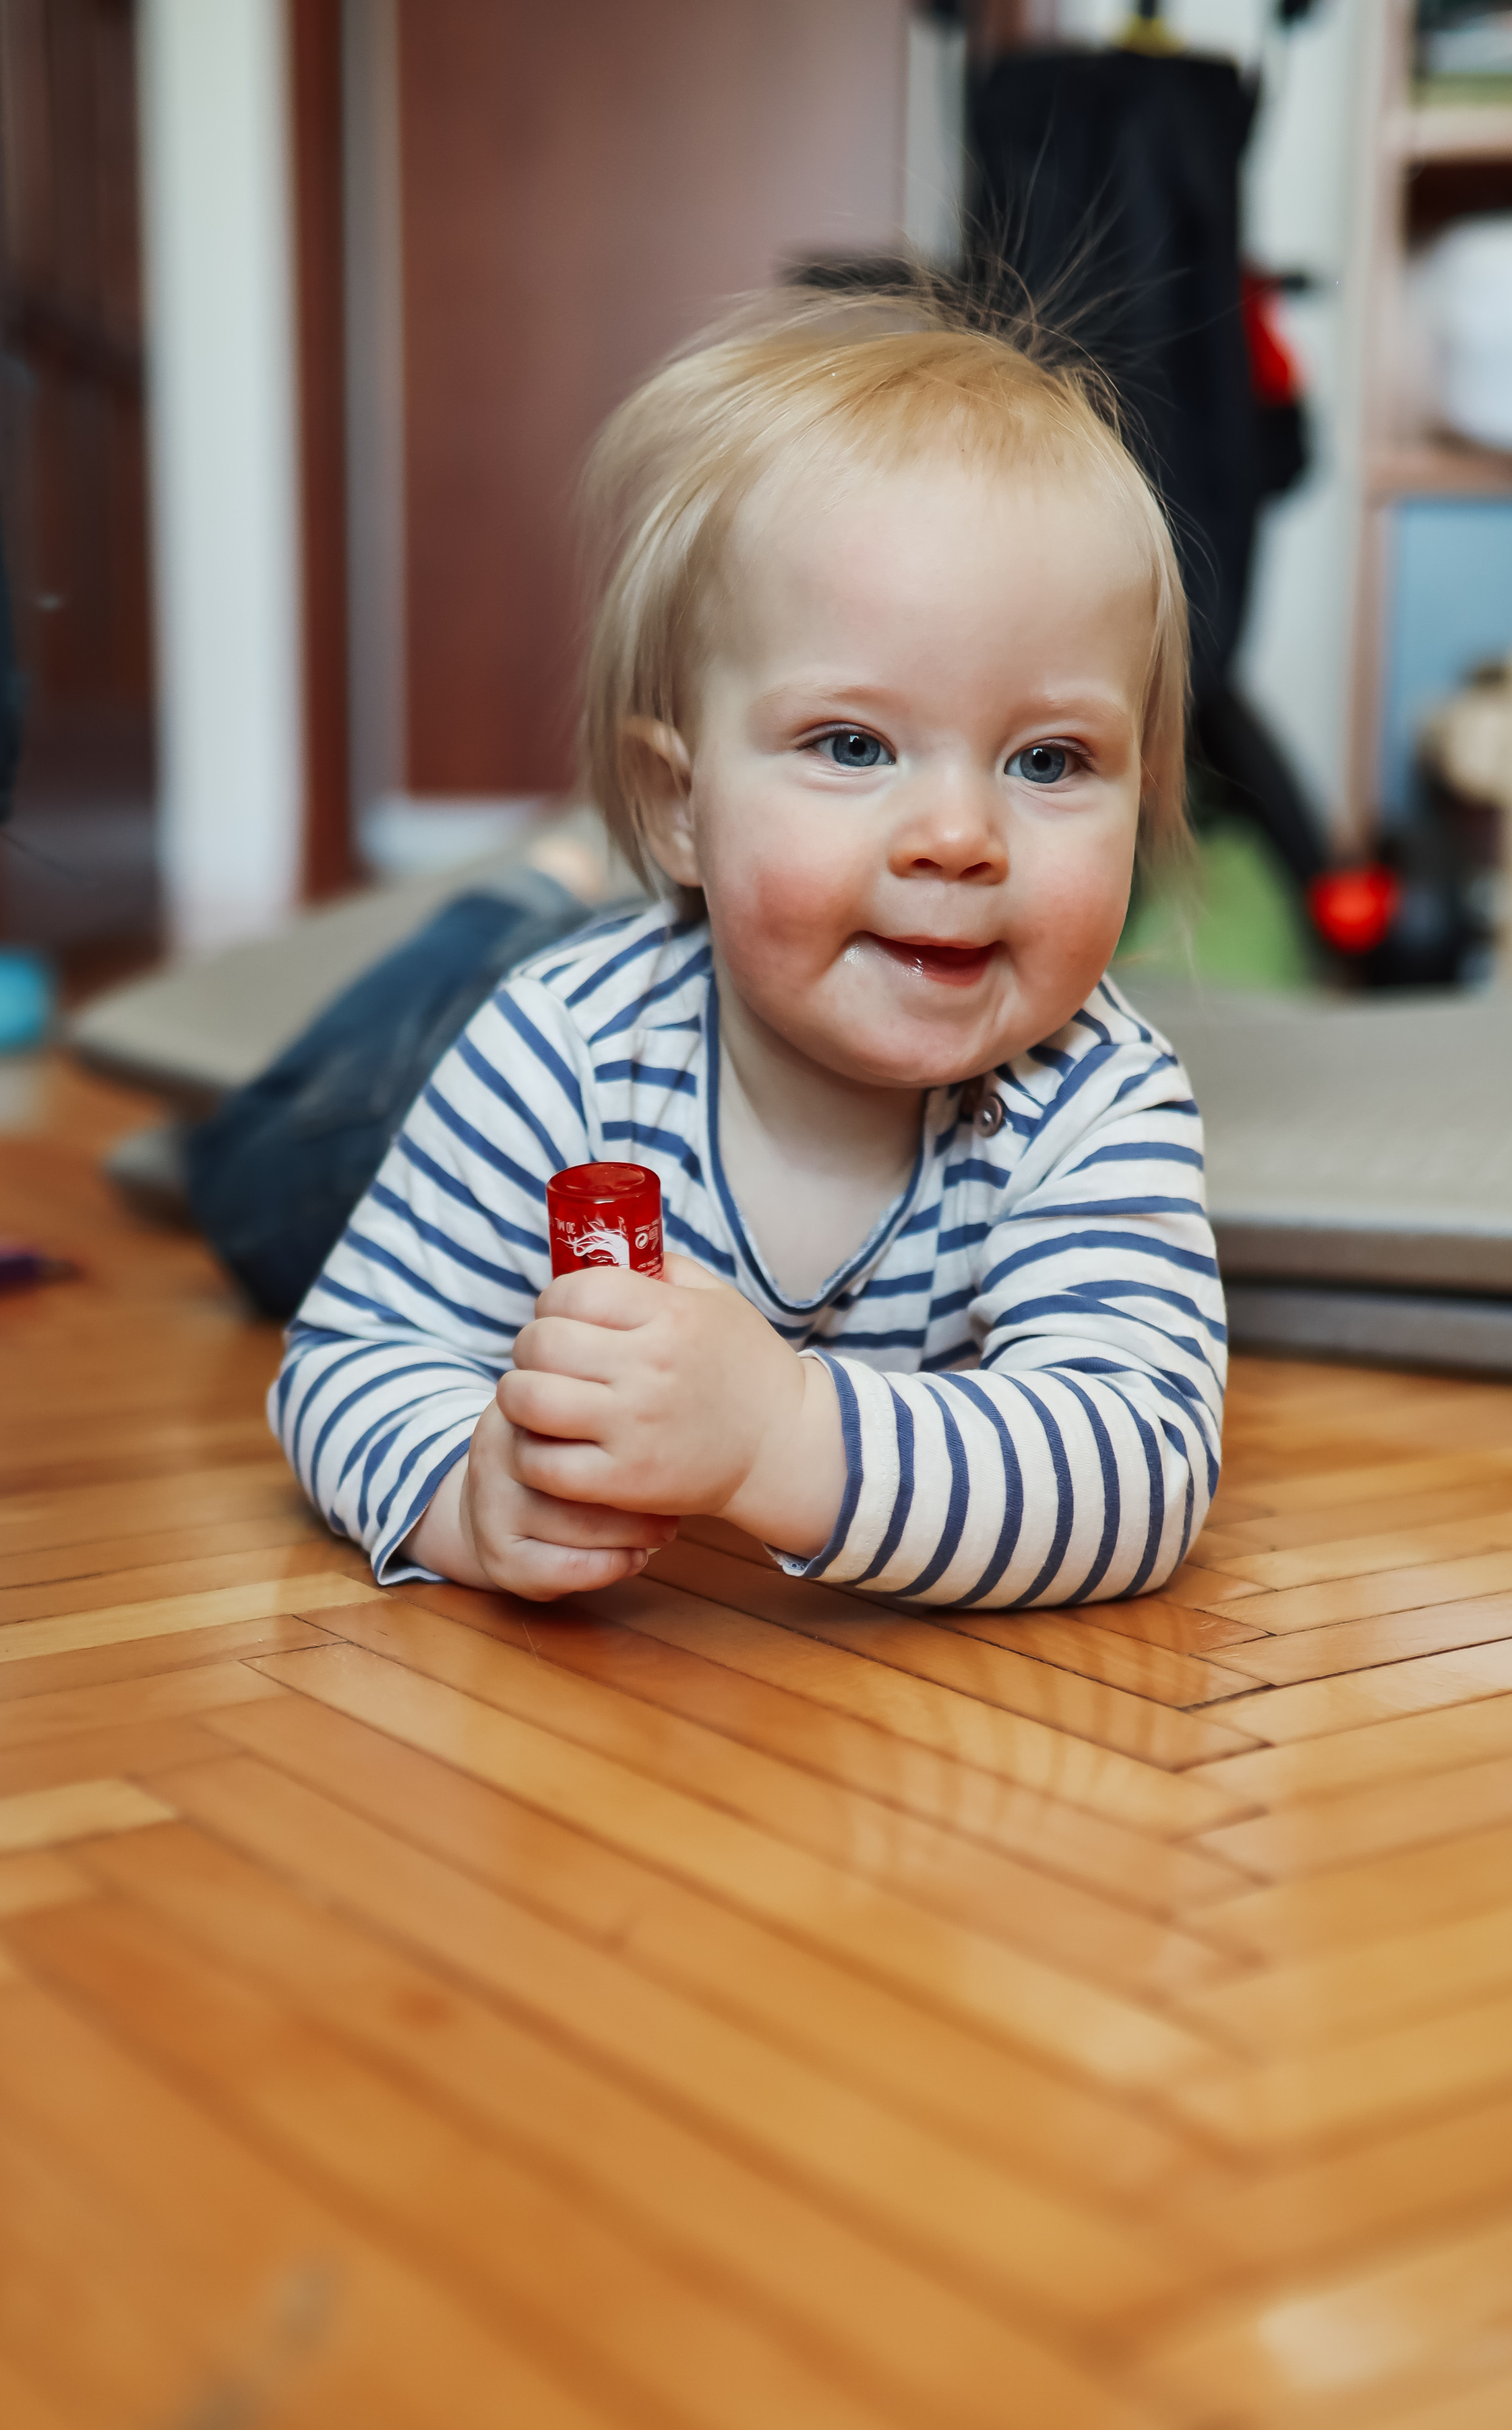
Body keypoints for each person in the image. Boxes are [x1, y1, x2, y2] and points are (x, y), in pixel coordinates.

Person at [270, 285, 1226, 1609]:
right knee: (273, 1175)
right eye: (853, 745)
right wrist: (464, 1498)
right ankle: (515, 897)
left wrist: (781, 1434)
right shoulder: (563, 1051)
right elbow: (348, 1358)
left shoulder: (1098, 1099)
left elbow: (1141, 1466)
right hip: (418, 1063)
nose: (959, 837)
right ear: (678, 804)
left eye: (1048, 760)